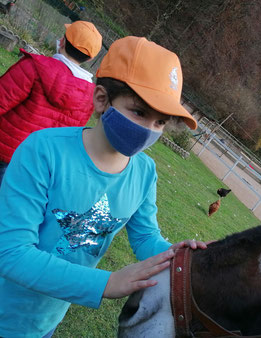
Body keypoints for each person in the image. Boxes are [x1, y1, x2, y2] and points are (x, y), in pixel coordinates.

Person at [0, 36, 204, 337]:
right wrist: (106, 284)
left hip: (45, 321)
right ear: (101, 100)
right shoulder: (42, 151)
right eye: (139, 112)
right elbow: (12, 253)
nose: (148, 130)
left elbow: (146, 237)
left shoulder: (145, 172)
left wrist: (179, 256)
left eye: (160, 122)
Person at [0, 20, 103, 184]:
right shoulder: (90, 96)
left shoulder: (34, 66)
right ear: (90, 58)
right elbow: (70, 138)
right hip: (36, 168)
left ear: (62, 41)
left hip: (5, 152)